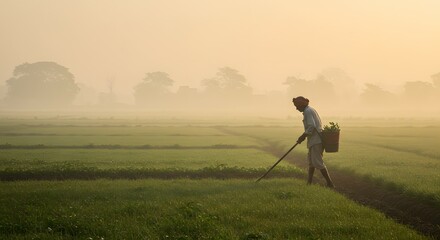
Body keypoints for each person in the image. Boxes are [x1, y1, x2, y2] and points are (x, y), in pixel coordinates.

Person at [292, 96, 335, 188]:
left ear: (301, 104)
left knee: (318, 162)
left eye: (297, 106)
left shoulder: (308, 111)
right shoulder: (309, 110)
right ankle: (309, 183)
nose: (296, 108)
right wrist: (304, 137)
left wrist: (303, 136)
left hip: (316, 141)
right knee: (311, 162)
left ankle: (330, 183)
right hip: (314, 140)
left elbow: (311, 126)